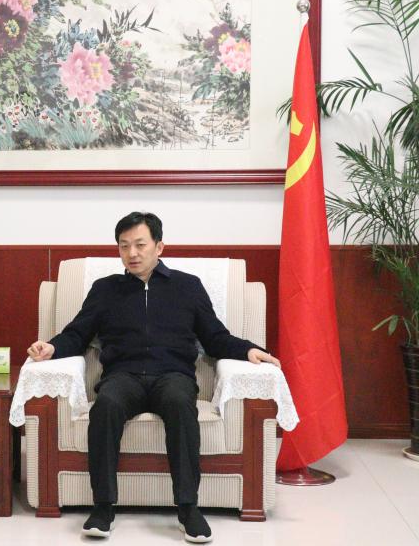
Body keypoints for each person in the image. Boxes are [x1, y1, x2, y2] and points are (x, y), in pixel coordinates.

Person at [27, 211, 280, 543]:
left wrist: (248, 350)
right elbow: (77, 333)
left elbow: (215, 337)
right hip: (123, 376)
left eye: (140, 244)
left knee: (181, 405)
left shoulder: (188, 287)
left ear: (159, 247)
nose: (132, 253)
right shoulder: (105, 290)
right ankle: (103, 507)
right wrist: (51, 346)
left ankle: (188, 508)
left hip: (172, 376)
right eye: (124, 246)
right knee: (105, 406)